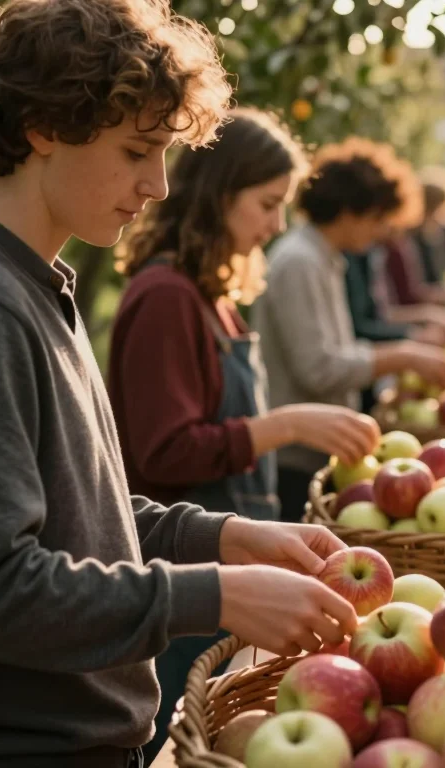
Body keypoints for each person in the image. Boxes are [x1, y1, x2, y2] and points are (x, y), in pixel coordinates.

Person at [0, 1, 358, 766]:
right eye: (139, 149)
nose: (161, 186)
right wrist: (213, 594)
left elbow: (83, 516)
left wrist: (225, 537)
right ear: (45, 127)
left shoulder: (39, 286)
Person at [108, 108, 381, 763]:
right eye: (266, 203)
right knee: (172, 743)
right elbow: (164, 451)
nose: (277, 225)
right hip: (178, 588)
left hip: (220, 583)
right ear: (216, 193)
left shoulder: (211, 296)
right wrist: (284, 425)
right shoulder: (167, 298)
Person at [253, 137, 445, 520]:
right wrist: (400, 356)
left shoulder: (325, 259)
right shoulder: (300, 262)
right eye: (377, 217)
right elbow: (318, 368)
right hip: (296, 455)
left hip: (320, 445)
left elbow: (337, 351)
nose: (381, 230)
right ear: (349, 210)